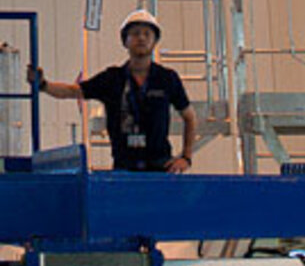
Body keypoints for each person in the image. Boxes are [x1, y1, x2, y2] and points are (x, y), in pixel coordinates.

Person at [28, 10, 198, 173]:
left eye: (147, 34)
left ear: (155, 41)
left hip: (160, 170)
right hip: (123, 169)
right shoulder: (112, 79)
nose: (141, 38)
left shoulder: (167, 79)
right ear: (125, 40)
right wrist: (43, 84)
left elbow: (190, 117)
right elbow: (73, 91)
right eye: (135, 33)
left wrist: (186, 157)